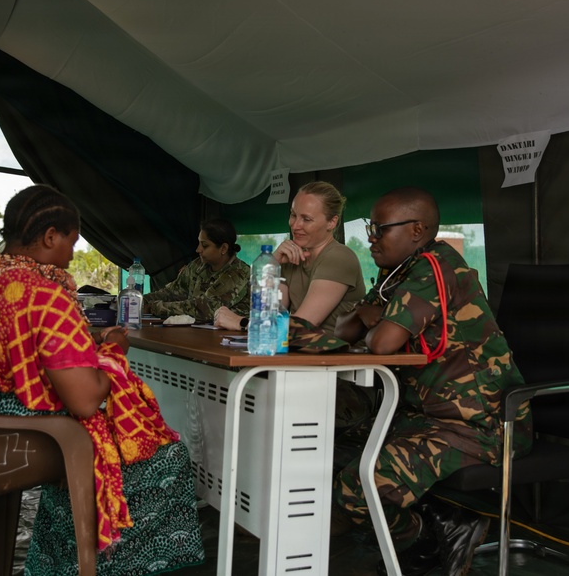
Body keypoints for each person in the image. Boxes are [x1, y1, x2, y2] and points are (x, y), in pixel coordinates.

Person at [0, 184, 204, 576]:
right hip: (27, 431)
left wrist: (68, 351)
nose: (73, 254)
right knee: (168, 456)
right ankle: (106, 565)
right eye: (72, 242)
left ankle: (56, 562)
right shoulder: (44, 294)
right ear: (50, 237)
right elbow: (84, 400)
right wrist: (112, 353)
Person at [333, 186, 532, 576]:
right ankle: (438, 521)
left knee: (356, 487)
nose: (371, 238)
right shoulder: (399, 272)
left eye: (380, 229)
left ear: (417, 230)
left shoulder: (434, 268)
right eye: (370, 228)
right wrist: (369, 316)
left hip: (482, 426)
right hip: (427, 415)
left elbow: (383, 342)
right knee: (332, 442)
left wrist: (375, 319)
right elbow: (344, 331)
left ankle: (427, 538)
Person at [213, 180, 365, 336]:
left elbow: (301, 326)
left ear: (332, 222)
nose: (295, 225)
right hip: (298, 347)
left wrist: (241, 323)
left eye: (306, 219)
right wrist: (271, 263)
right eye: (293, 215)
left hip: (336, 350)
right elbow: (266, 313)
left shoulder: (339, 258)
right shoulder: (290, 257)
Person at [143, 218, 250, 321]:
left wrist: (153, 308)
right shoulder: (197, 265)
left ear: (223, 248)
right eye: (199, 243)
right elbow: (172, 293)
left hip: (228, 332)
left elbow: (205, 309)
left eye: (205, 245)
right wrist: (141, 300)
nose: (198, 249)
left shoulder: (239, 273)